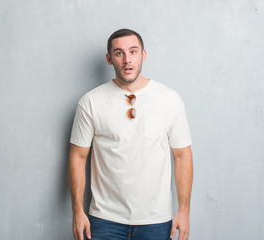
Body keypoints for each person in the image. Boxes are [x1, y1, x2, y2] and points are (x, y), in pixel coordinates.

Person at [69, 28, 193, 240]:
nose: (127, 59)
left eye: (133, 52)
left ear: (143, 55)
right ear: (110, 59)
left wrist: (184, 211)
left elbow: (182, 156)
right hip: (104, 219)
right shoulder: (91, 102)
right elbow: (77, 157)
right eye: (119, 53)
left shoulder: (169, 99)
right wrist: (77, 212)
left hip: (155, 220)